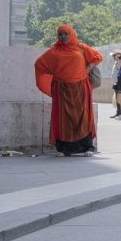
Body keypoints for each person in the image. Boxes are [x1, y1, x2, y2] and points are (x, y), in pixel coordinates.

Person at [34, 24, 102, 156]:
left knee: (83, 117)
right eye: (60, 34)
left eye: (66, 33)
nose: (63, 36)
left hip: (81, 88)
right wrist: (54, 72)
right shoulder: (54, 51)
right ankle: (64, 149)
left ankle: (88, 147)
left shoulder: (80, 47)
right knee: (63, 119)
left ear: (71, 34)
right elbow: (39, 64)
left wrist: (87, 68)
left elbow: (97, 57)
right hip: (62, 89)